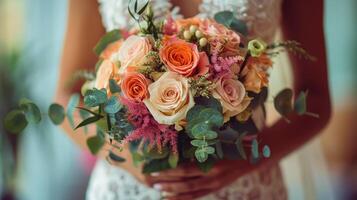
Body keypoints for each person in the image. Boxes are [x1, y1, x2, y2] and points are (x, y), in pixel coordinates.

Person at [56, 0, 331, 199]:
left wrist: (249, 157)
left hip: (245, 187)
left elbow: (316, 99)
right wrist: (127, 158)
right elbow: (65, 99)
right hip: (129, 187)